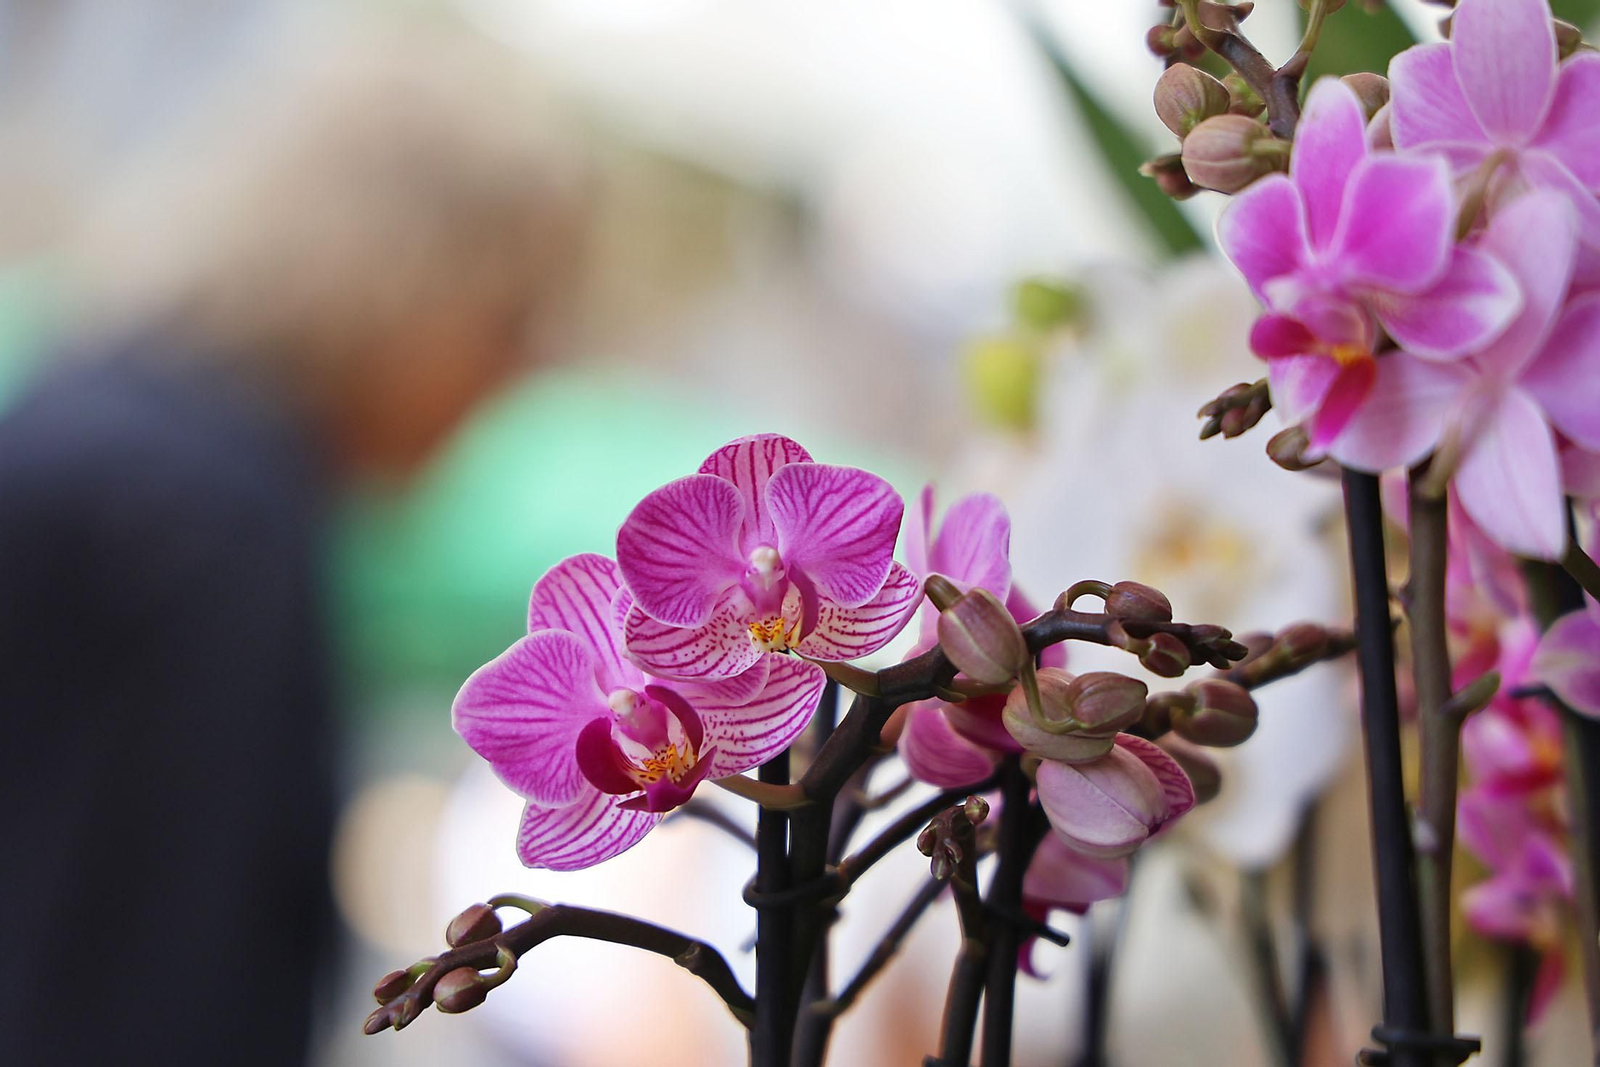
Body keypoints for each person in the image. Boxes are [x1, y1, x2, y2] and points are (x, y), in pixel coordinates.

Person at [0, 22, 586, 1065]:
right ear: (410, 283)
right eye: (510, 323)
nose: (513, 384)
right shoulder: (215, 524)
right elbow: (180, 966)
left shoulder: (87, 407)